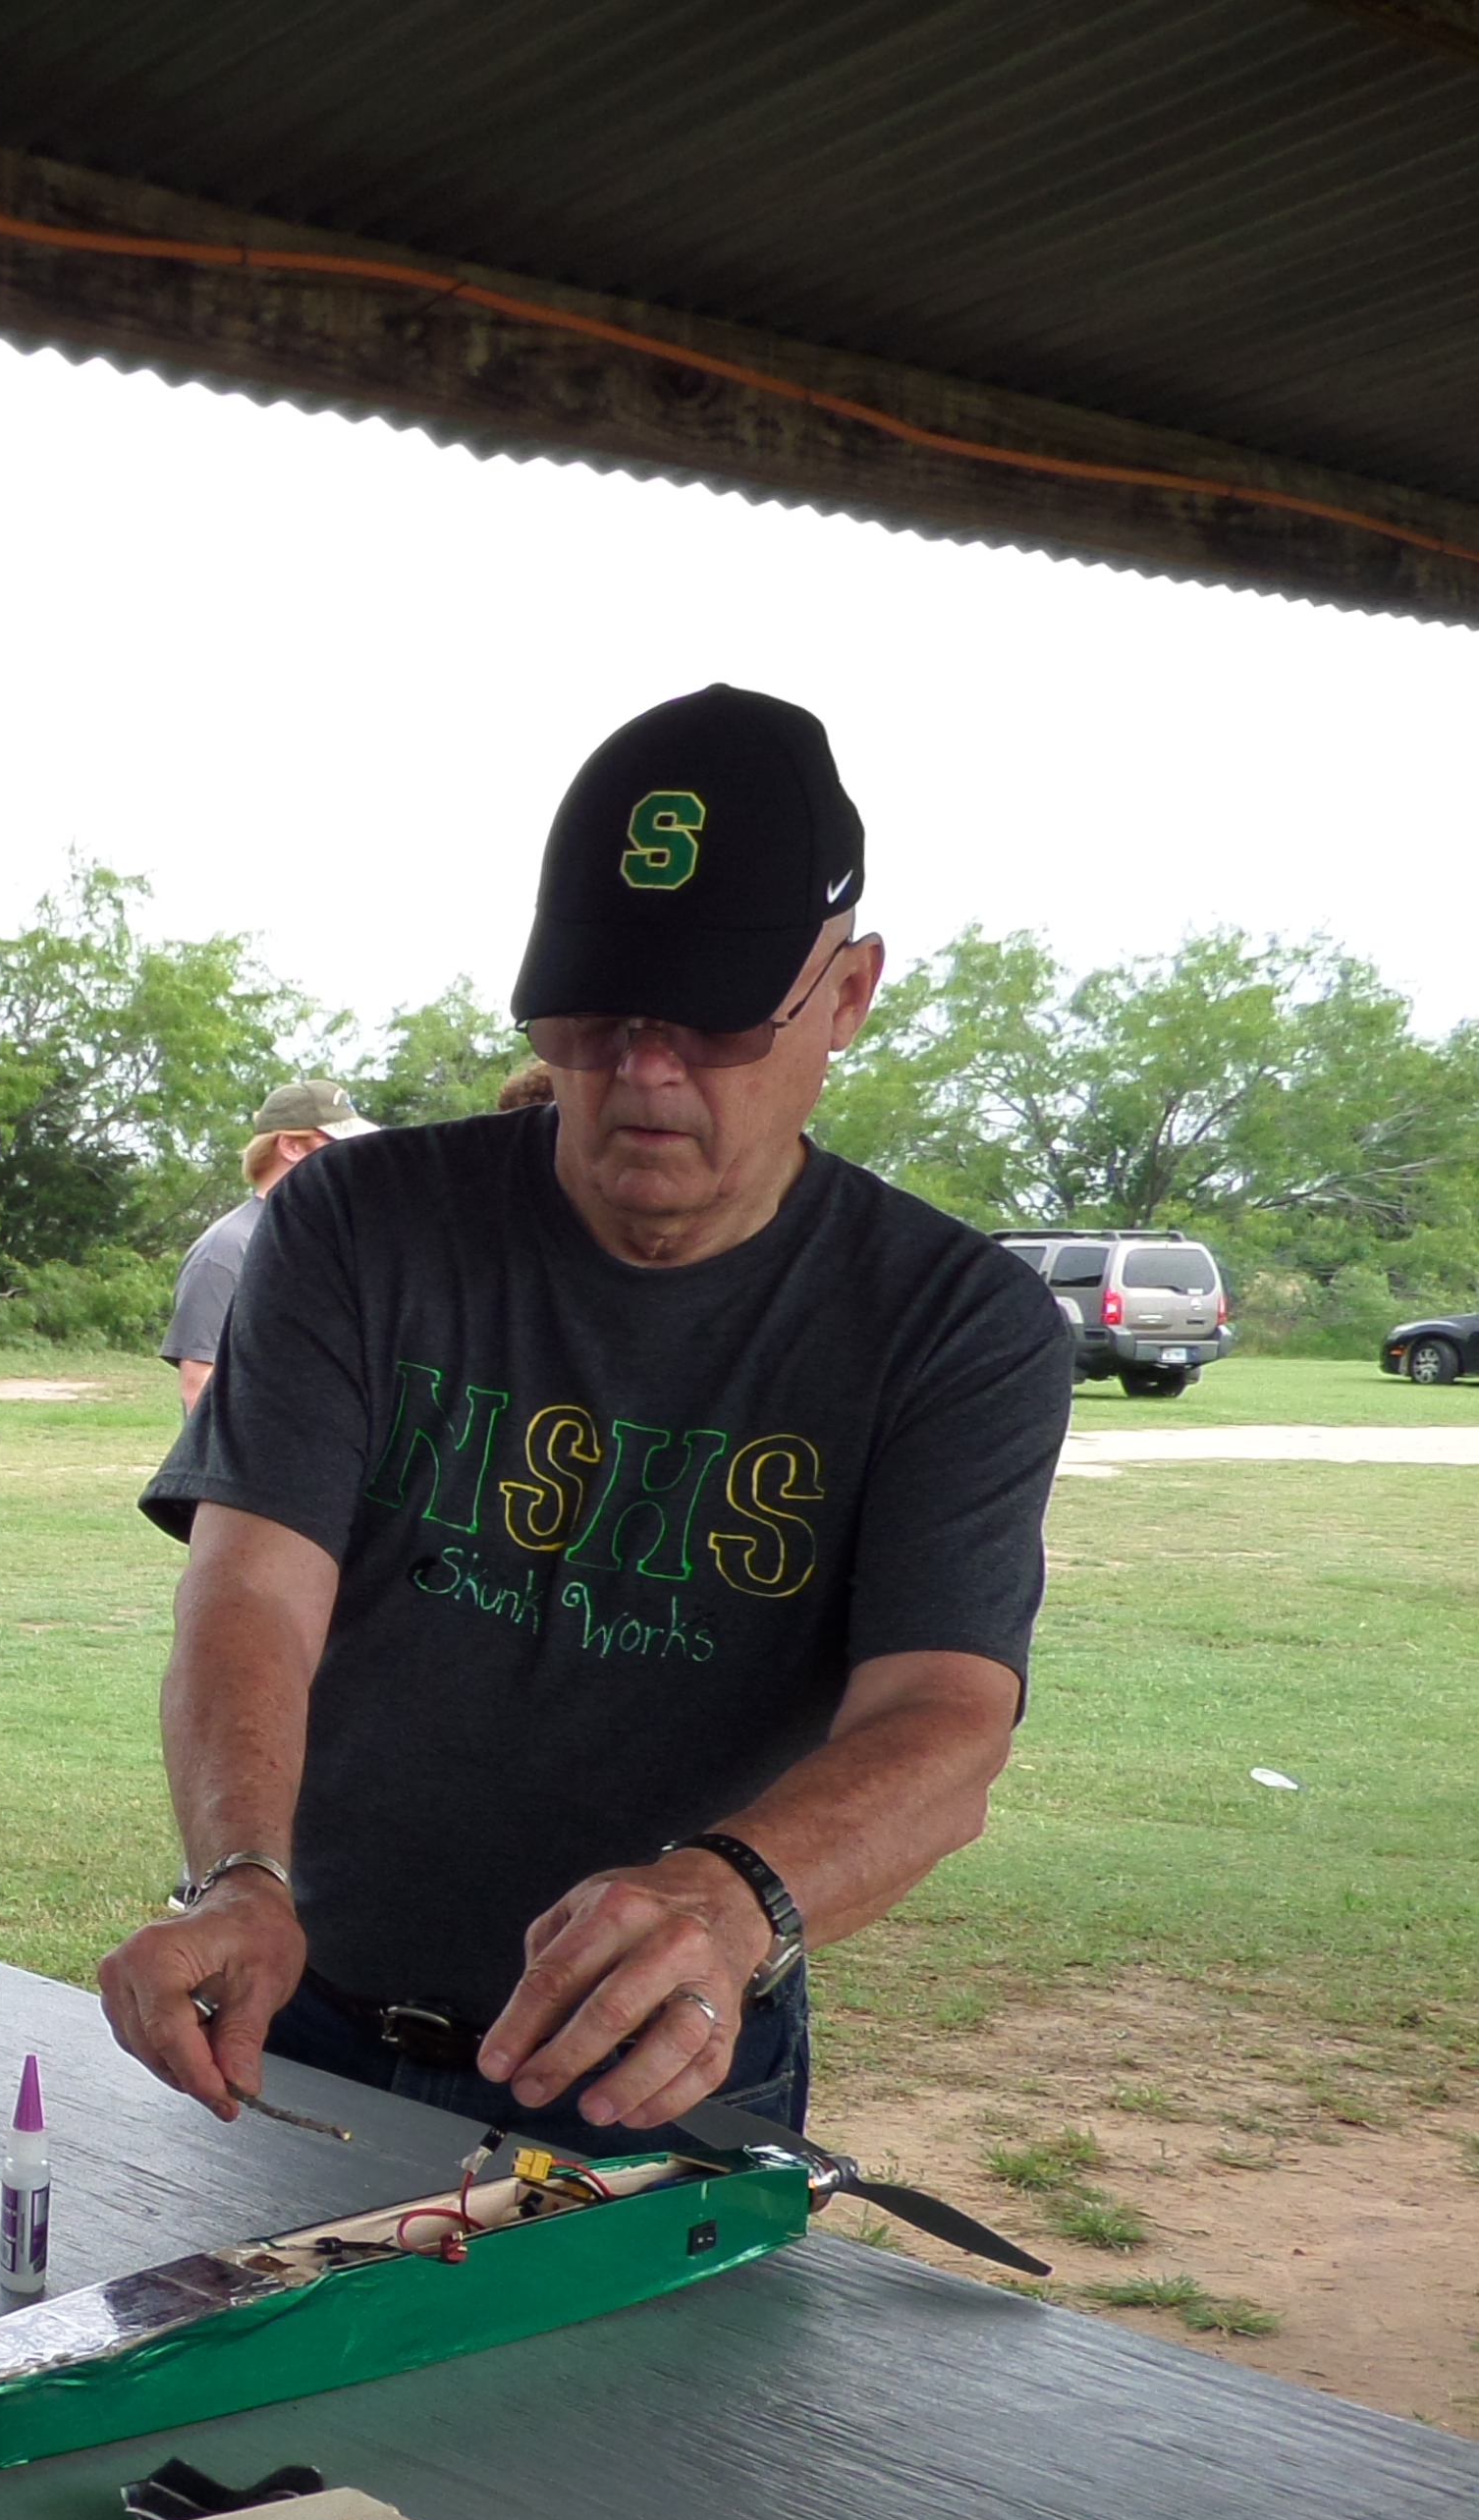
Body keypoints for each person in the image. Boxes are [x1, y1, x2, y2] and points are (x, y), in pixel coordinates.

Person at [97, 685, 1071, 2155]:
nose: (643, 1070)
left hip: (663, 2058)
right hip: (305, 2016)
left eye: (713, 1021)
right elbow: (253, 1587)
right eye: (596, 1016)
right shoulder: (357, 1227)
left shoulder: (956, 1324)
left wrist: (729, 1897)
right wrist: (240, 1875)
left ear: (850, 995)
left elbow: (944, 1721)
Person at [162, 1077, 377, 1408]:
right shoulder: (227, 1247)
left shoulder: (325, 1240)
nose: (354, 1159)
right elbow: (200, 1386)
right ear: (291, 1146)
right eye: (338, 1144)